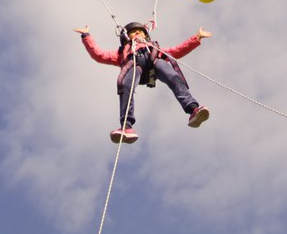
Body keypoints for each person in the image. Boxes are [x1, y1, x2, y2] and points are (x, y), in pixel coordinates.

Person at [75, 21, 212, 144]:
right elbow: (99, 55)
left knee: (173, 76)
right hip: (135, 67)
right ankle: (126, 127)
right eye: (134, 32)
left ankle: (193, 109)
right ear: (127, 37)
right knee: (125, 85)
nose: (137, 33)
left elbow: (177, 50)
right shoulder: (122, 52)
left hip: (155, 64)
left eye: (140, 31)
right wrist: (86, 36)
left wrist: (196, 38)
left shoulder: (154, 48)